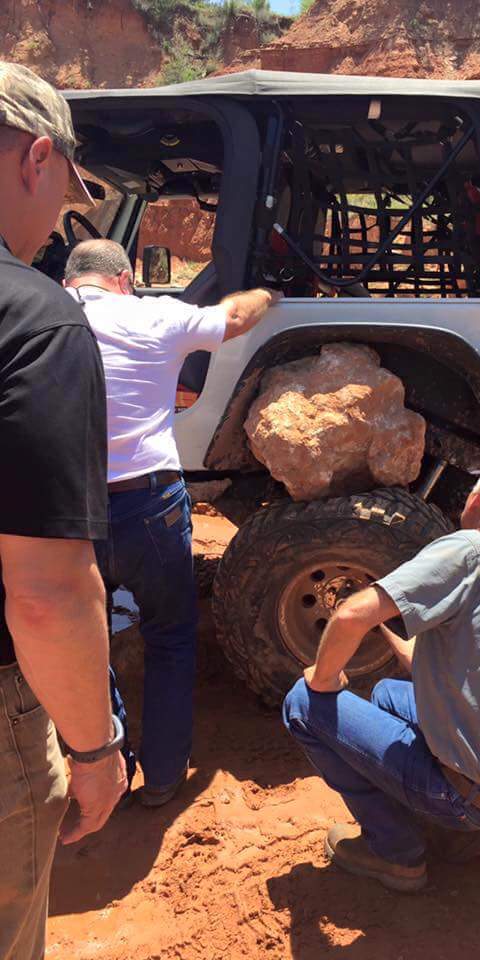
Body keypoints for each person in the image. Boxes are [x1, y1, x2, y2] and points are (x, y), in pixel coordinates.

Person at [283, 453, 480, 892]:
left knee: (302, 704)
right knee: (388, 694)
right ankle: (467, 830)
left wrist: (323, 678)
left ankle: (395, 854)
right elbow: (433, 666)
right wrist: (380, 619)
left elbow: (351, 617)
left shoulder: (469, 549)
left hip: (464, 794)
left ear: (476, 498)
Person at [63, 239, 279, 807]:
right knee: (169, 638)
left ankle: (106, 766)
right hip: (149, 506)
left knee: (83, 638)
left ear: (69, 281)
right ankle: (163, 777)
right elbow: (234, 317)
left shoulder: (42, 315)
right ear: (127, 279)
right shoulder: (154, 313)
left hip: (67, 509)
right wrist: (267, 292)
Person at [0, 63, 126, 960]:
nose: (59, 224)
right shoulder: (35, 323)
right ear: (35, 160)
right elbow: (46, 590)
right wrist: (94, 747)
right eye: (65, 196)